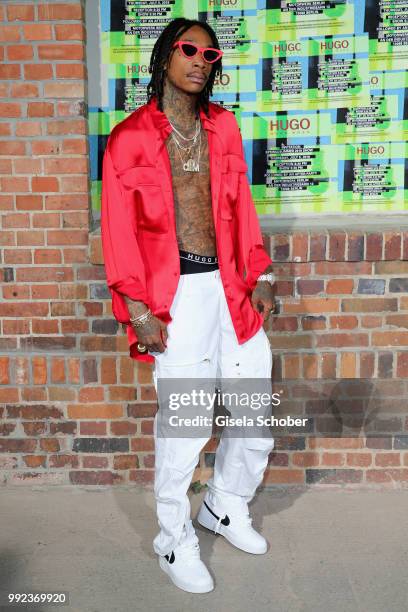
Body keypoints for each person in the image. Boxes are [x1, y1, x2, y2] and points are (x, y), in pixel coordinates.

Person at [101, 17, 277, 594]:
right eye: (188, 50)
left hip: (232, 288)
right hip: (176, 298)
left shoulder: (222, 128)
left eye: (210, 53)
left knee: (253, 413)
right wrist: (138, 308)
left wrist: (262, 271)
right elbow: (119, 232)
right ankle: (173, 540)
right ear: (164, 57)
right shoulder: (128, 138)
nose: (201, 60)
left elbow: (242, 206)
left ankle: (225, 505)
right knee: (186, 425)